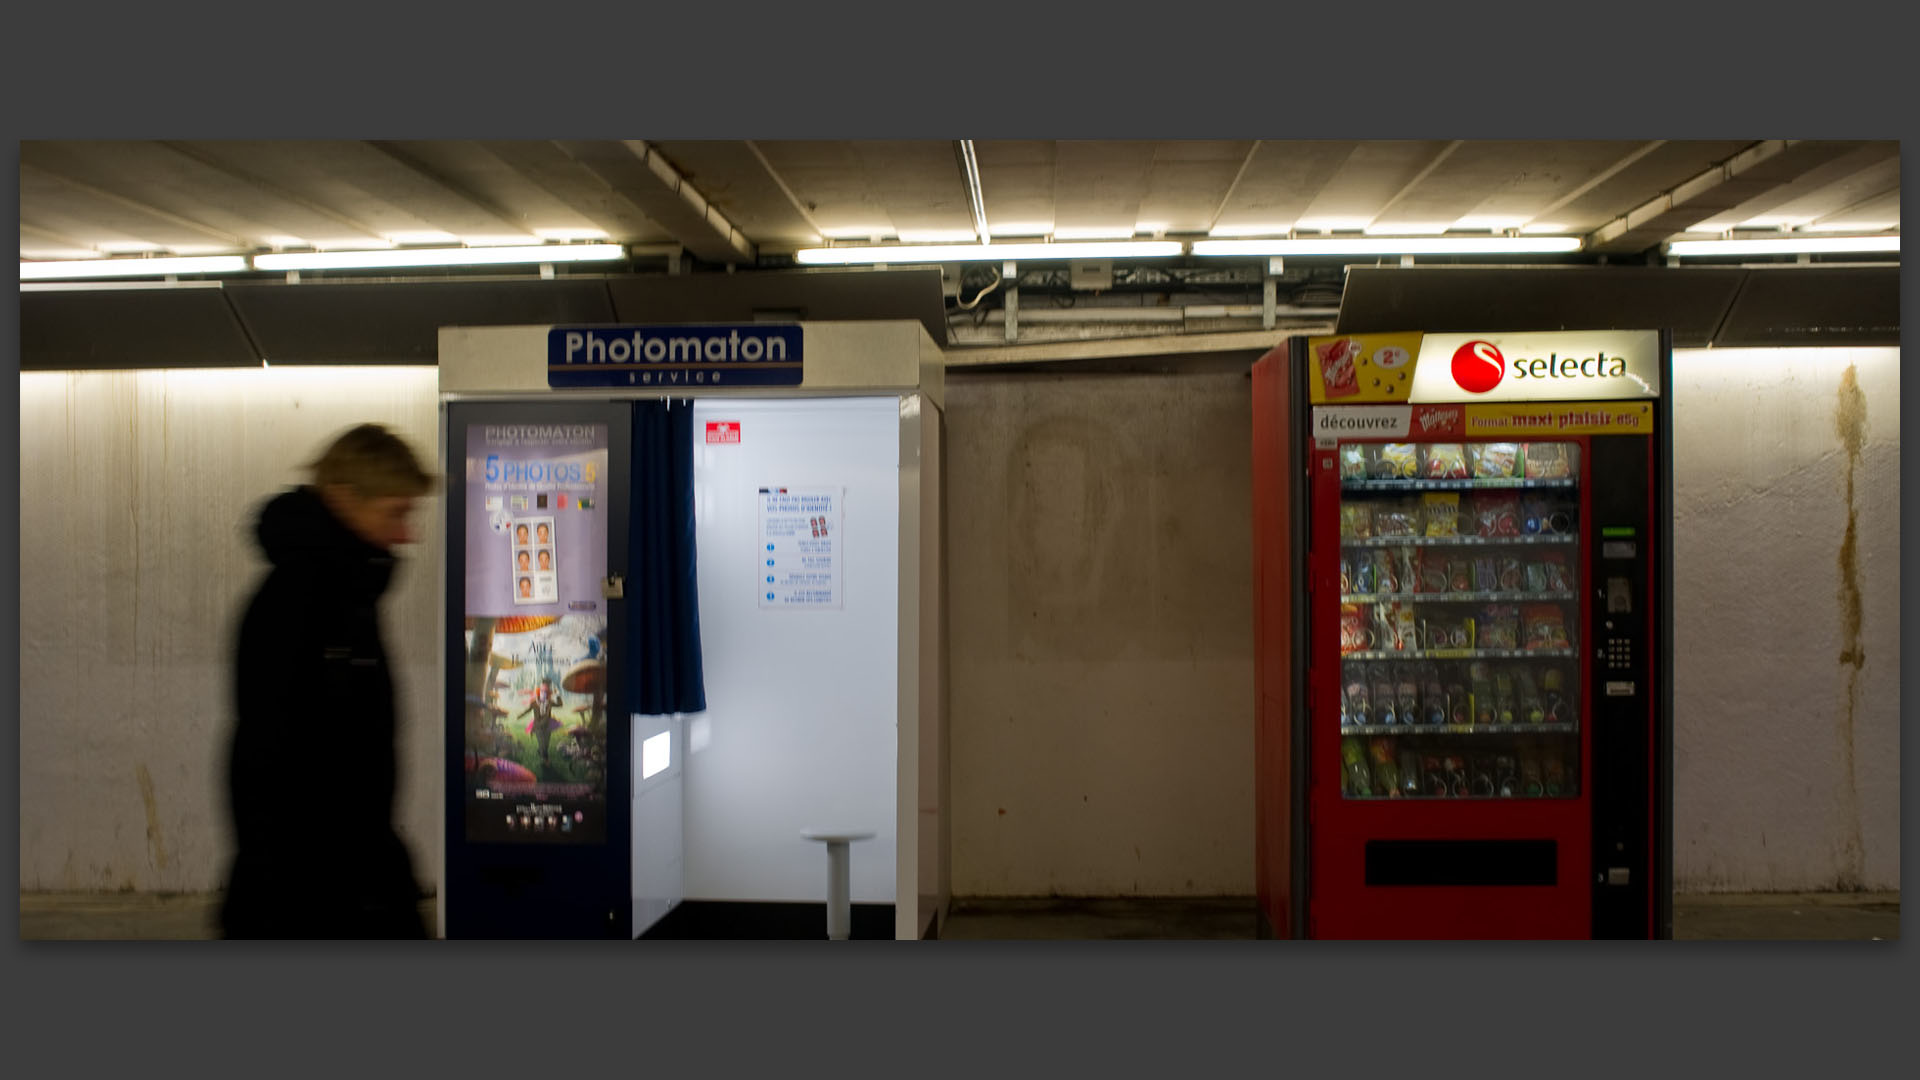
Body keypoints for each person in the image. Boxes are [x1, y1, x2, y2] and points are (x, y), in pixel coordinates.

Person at [220, 423, 433, 939]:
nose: (409, 534)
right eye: (396, 512)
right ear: (343, 499)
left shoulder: (347, 598)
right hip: (312, 900)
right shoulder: (294, 605)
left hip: (355, 883)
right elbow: (263, 767)